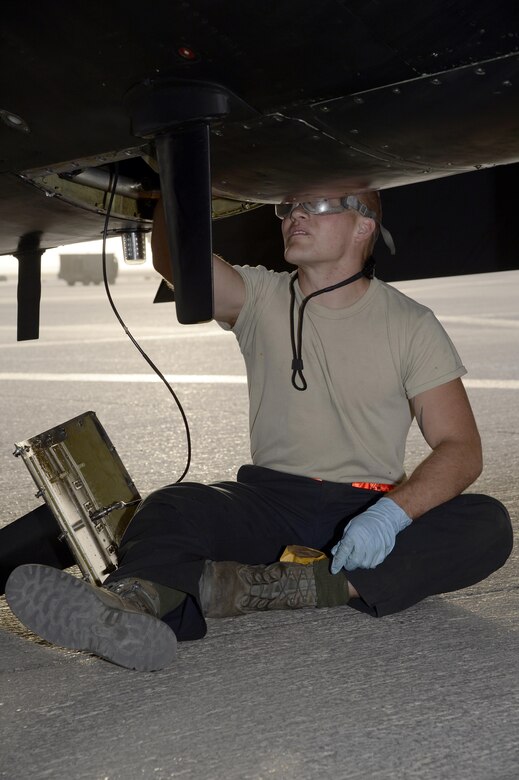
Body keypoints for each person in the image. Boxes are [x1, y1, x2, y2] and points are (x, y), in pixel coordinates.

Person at [3, 192, 513, 672]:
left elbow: (461, 448)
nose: (295, 216)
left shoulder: (411, 324)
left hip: (366, 506)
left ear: (363, 224)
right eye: (289, 206)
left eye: (315, 205)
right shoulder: (262, 296)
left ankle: (278, 587)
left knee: (487, 525)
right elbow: (175, 261)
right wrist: (171, 184)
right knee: (175, 505)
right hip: (270, 502)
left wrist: (391, 514)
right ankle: (130, 606)